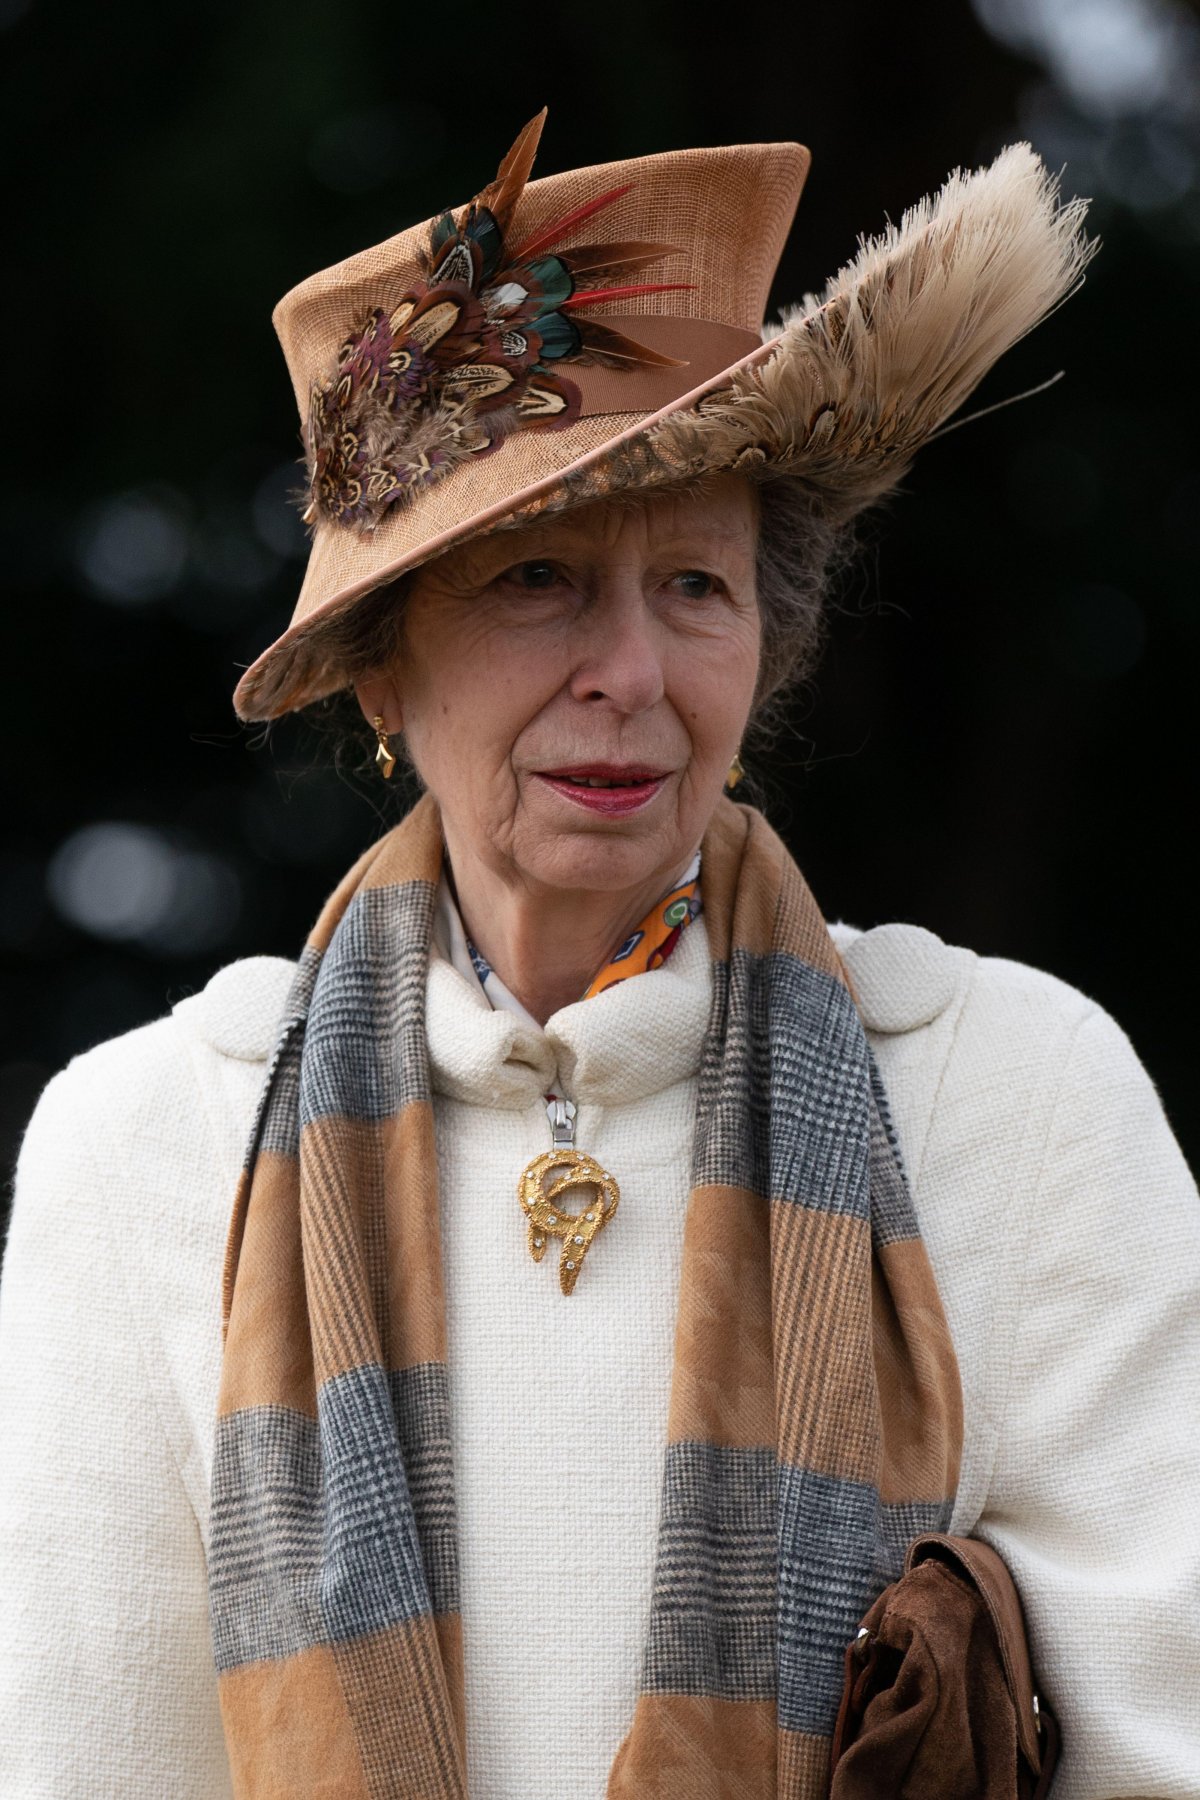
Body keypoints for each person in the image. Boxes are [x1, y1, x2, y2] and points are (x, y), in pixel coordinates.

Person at [1, 110, 1196, 1800]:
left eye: (697, 586)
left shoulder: (1025, 1098)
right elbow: (86, 1766)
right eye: (541, 579)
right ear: (380, 670)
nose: (631, 670)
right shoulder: (142, 1151)